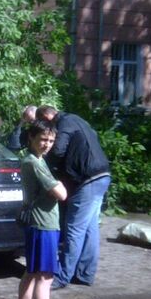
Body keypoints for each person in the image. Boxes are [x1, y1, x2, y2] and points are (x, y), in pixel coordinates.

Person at [36, 105, 111, 289]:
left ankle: (62, 276)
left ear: (47, 116)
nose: (47, 131)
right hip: (102, 175)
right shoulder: (78, 119)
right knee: (90, 228)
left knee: (74, 229)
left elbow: (58, 150)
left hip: (87, 180)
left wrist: (43, 164)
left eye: (44, 124)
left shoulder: (64, 123)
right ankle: (85, 274)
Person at [12, 120, 70, 299]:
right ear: (31, 139)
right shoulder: (34, 163)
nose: (47, 144)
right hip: (43, 225)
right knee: (44, 278)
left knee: (31, 273)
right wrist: (61, 186)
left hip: (38, 224)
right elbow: (61, 193)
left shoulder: (35, 160)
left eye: (51, 140)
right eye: (43, 139)